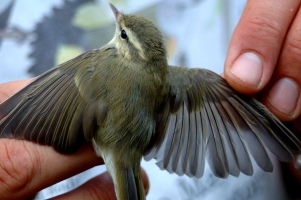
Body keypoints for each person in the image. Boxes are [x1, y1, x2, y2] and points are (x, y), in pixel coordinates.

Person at [0, 0, 300, 199]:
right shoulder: (190, 81)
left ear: (127, 47)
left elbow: (51, 99)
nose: (117, 19)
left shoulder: (93, 68)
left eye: (123, 32)